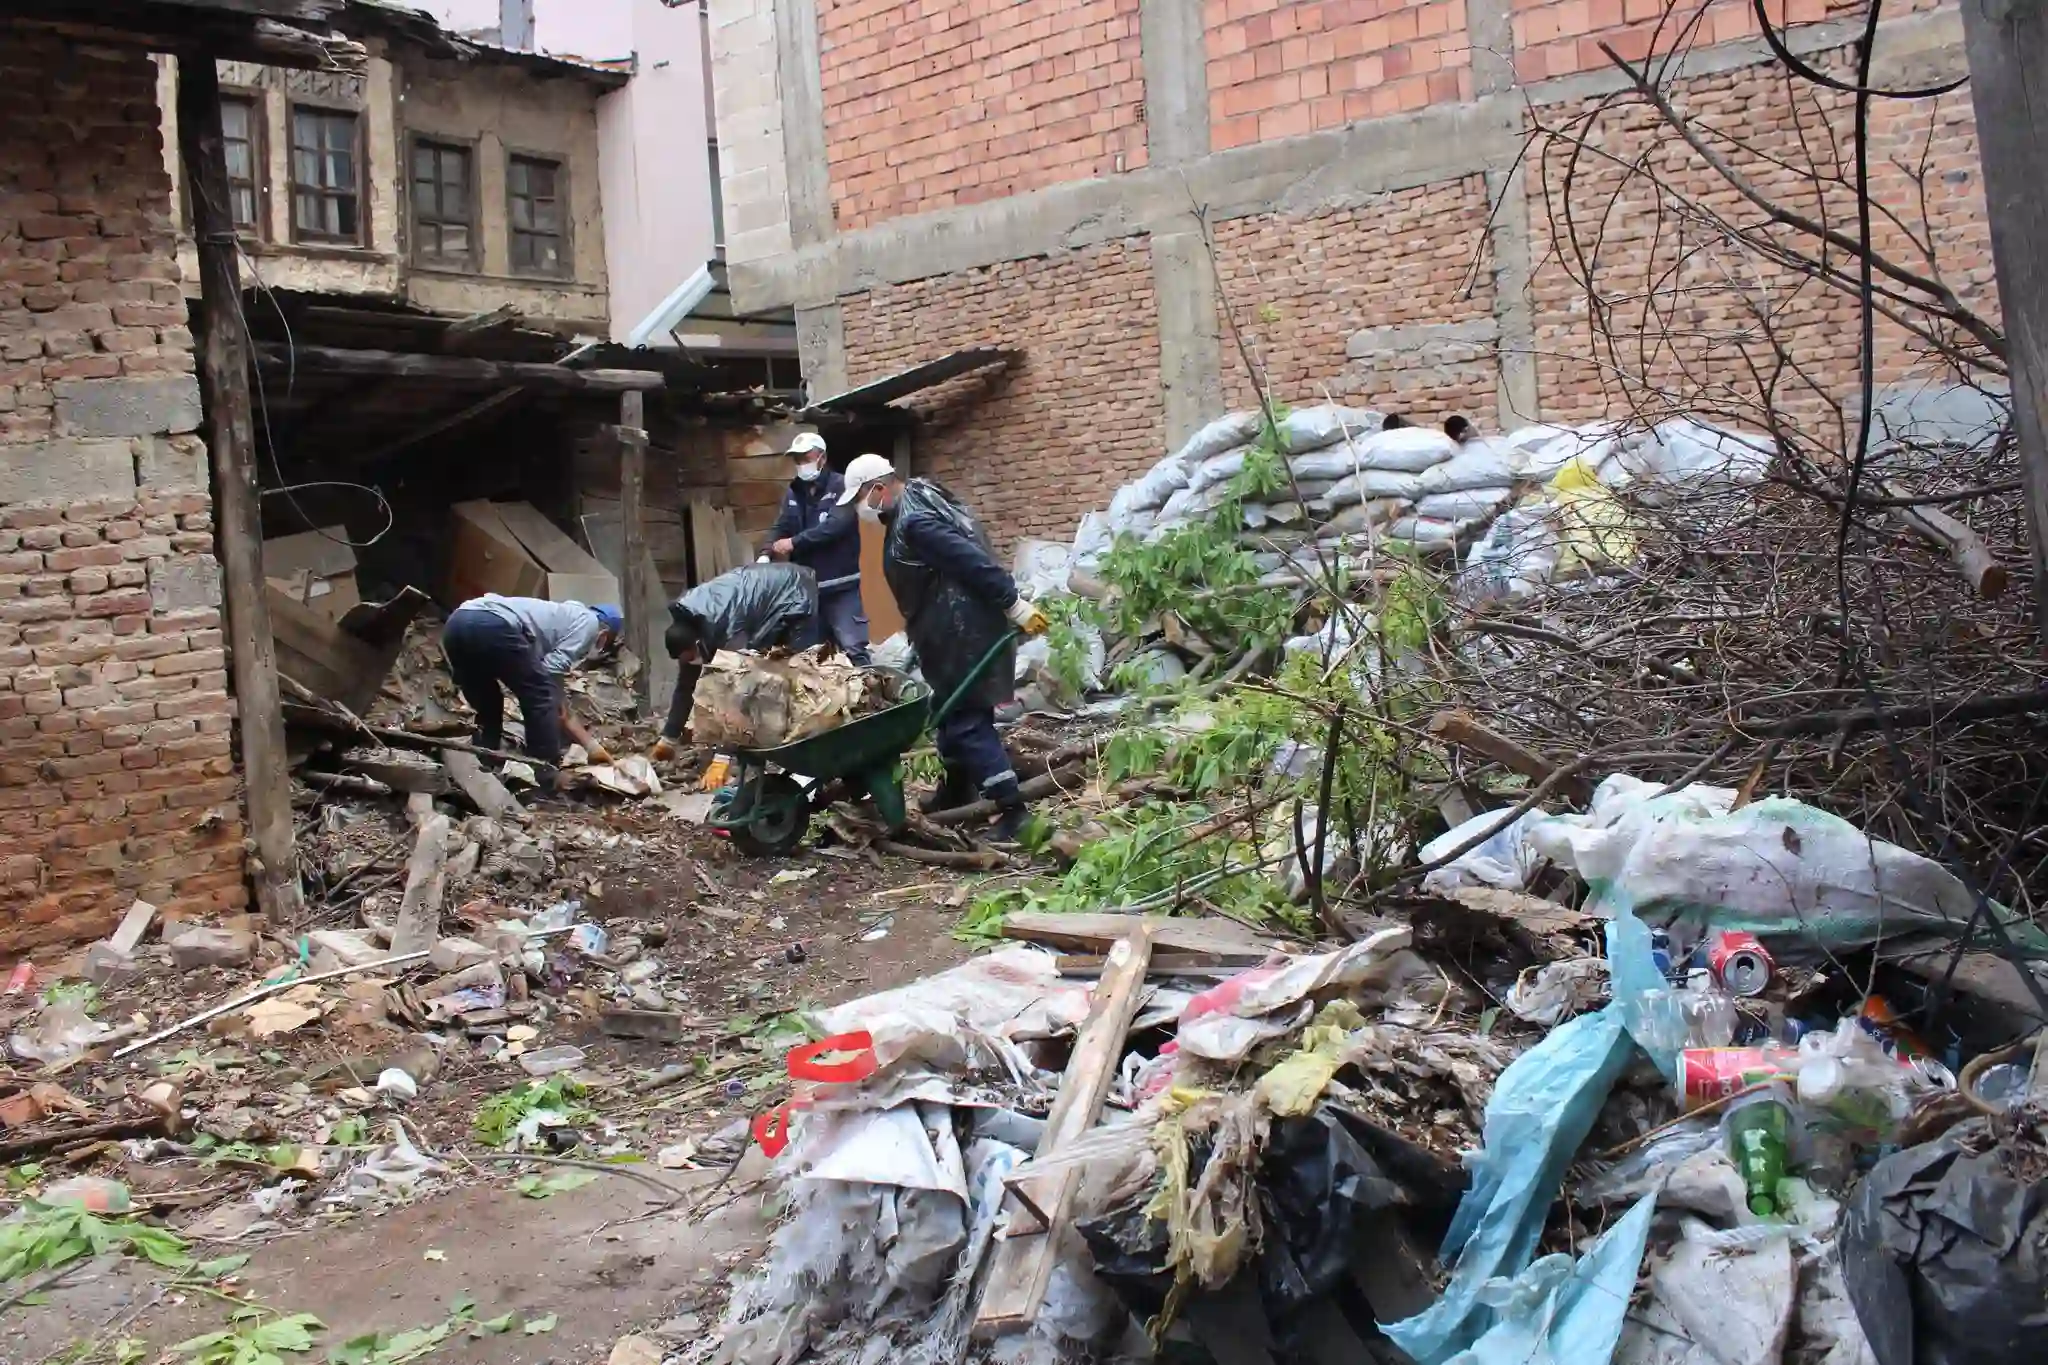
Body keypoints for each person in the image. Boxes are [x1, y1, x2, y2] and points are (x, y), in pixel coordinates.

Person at [838, 454, 1047, 840]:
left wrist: (1013, 603)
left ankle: (1013, 811)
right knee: (947, 716)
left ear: (879, 488)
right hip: (947, 629)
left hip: (963, 633)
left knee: (967, 722)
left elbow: (970, 561)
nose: (859, 508)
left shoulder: (916, 521)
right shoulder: (914, 503)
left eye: (860, 498)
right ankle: (956, 793)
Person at [650, 561, 821, 760]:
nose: (691, 662)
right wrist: (669, 737)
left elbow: (738, 689)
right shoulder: (690, 629)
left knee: (794, 670)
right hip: (760, 598)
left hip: (793, 593)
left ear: (697, 643)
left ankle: (802, 743)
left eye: (690, 657)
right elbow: (685, 686)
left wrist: (723, 756)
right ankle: (771, 737)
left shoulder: (728, 628)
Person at [441, 595, 621, 782]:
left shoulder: (561, 618)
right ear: (604, 635)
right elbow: (551, 671)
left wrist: (590, 746)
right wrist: (556, 699)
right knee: (540, 696)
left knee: (489, 702)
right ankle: (546, 773)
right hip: (490, 624)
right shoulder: (589, 623)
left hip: (456, 623)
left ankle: (484, 762)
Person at [763, 432, 869, 665]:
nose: (802, 464)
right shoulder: (794, 491)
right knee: (813, 656)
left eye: (806, 457)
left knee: (853, 649)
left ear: (822, 458)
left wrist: (794, 542)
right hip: (808, 591)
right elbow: (782, 524)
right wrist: (765, 553)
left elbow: (835, 526)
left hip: (841, 585)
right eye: (797, 459)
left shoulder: (842, 485)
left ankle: (874, 697)